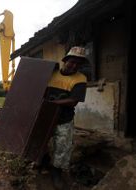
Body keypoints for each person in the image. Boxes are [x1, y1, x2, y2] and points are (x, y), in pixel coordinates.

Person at [44, 46, 88, 189]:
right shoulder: (51, 73)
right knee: (40, 140)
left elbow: (73, 100)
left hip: (64, 118)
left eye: (78, 64)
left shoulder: (81, 78)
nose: (74, 66)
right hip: (45, 116)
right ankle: (41, 163)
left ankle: (56, 172)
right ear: (65, 60)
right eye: (72, 62)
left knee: (62, 147)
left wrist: (51, 103)